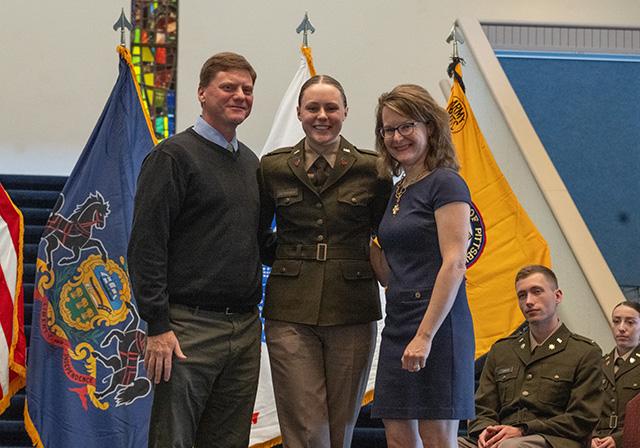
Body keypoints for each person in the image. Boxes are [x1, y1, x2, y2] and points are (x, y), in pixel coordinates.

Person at [128, 52, 264, 448]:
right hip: (186, 330)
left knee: (229, 441)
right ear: (202, 93)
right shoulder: (172, 156)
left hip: (244, 330)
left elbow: (255, 242)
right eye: (228, 87)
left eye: (247, 90)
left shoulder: (252, 163)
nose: (239, 95)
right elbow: (146, 245)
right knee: (175, 439)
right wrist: (157, 325)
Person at [258, 74, 392, 448]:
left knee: (340, 425)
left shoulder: (374, 169)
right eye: (312, 108)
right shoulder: (273, 168)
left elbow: (390, 234)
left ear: (345, 112)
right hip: (290, 309)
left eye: (331, 107)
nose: (322, 115)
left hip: (353, 307)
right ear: (299, 113)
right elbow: (256, 234)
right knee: (305, 426)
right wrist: (289, 257)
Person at [370, 84, 475, 448]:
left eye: (406, 126)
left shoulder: (446, 182)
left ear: (429, 127)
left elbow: (454, 263)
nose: (397, 137)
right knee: (397, 437)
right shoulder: (398, 190)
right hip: (399, 319)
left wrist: (425, 336)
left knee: (437, 439)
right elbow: (388, 273)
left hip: (438, 324)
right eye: (388, 129)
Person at [459, 265, 604, 448]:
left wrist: (523, 430)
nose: (529, 301)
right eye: (522, 295)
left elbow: (582, 418)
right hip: (502, 439)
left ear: (557, 296)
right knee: (441, 443)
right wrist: (486, 430)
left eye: (537, 292)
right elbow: (482, 408)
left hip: (554, 440)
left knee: (512, 447)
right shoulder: (502, 350)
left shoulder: (584, 352)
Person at [592, 301, 640, 448]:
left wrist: (618, 439)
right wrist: (591, 437)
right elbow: (587, 408)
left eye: (630, 322)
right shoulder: (598, 364)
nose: (621, 328)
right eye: (616, 321)